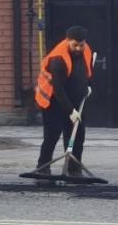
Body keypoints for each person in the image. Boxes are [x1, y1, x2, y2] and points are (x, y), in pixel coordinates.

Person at [34, 25, 93, 182]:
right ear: (67, 41)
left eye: (81, 45)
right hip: (54, 101)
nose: (79, 48)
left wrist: (88, 86)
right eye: (75, 45)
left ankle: (74, 170)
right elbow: (58, 90)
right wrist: (71, 112)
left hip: (76, 99)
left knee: (77, 136)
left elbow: (87, 71)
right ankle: (43, 169)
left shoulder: (86, 50)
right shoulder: (58, 60)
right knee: (52, 135)